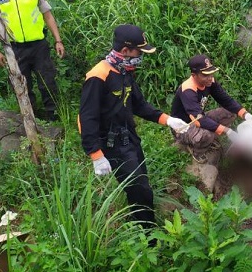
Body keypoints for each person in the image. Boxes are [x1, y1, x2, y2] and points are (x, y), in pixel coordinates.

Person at [79, 24, 186, 229]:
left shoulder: (124, 70)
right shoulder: (98, 76)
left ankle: (144, 228)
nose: (141, 56)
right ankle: (147, 238)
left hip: (130, 138)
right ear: (126, 51)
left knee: (141, 186)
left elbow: (138, 104)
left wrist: (167, 119)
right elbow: (87, 118)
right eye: (140, 51)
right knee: (139, 190)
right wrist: (96, 155)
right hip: (111, 144)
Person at [170, 54, 252, 164]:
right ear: (194, 75)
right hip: (183, 127)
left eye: (211, 73)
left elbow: (225, 100)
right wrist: (227, 131)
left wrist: (245, 114)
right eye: (205, 75)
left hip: (199, 116)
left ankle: (205, 140)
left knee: (229, 113)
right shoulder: (188, 90)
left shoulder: (209, 81)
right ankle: (197, 151)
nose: (210, 77)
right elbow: (198, 120)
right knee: (207, 134)